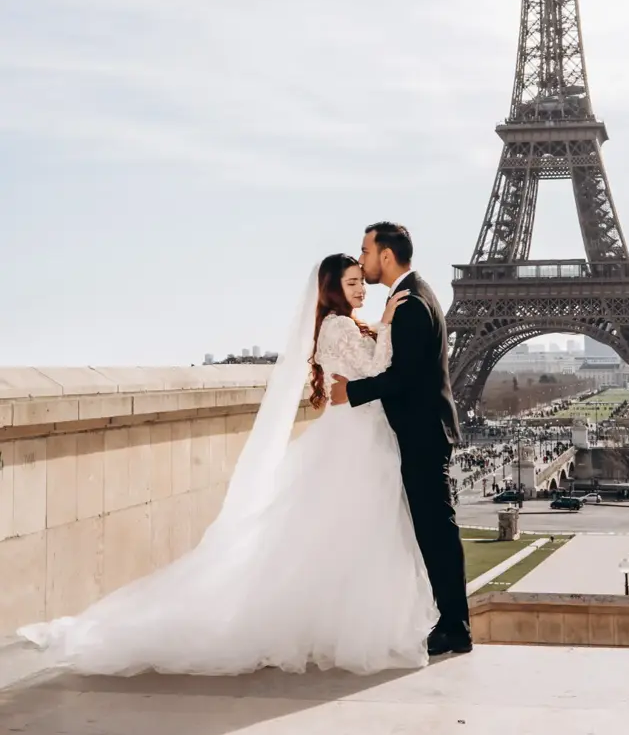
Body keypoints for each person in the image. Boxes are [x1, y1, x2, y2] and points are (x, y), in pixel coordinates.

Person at [17, 254, 437, 676]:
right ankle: (348, 630)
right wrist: (385, 324)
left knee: (343, 538)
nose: (361, 288)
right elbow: (376, 368)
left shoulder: (335, 324)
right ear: (331, 290)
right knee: (358, 536)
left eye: (360, 281)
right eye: (350, 283)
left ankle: (334, 628)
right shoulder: (341, 326)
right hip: (356, 442)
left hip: (354, 438)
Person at [330, 222, 471, 656]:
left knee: (435, 531)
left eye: (366, 251)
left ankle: (454, 626)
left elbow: (403, 376)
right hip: (424, 428)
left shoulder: (410, 303)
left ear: (386, 255)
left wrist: (350, 392)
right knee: (433, 530)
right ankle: (451, 621)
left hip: (422, 431)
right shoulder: (415, 296)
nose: (364, 259)